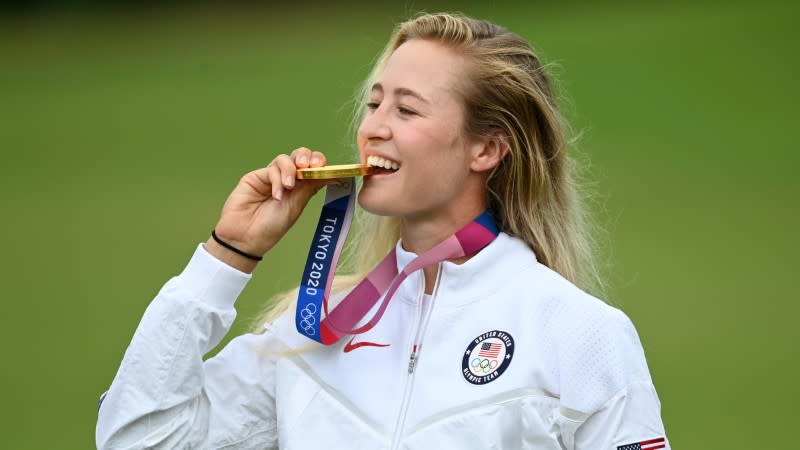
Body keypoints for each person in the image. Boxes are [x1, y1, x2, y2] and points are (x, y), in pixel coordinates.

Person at [96, 12, 669, 450]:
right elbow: (136, 438)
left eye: (407, 111)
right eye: (374, 104)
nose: (373, 129)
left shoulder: (578, 333)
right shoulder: (310, 333)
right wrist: (228, 256)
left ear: (487, 148)